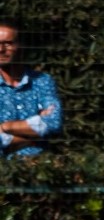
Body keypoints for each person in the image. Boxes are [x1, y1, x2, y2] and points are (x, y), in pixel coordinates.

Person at [0, 22, 62, 161]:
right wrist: (34, 133)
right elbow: (45, 127)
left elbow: (53, 123)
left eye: (8, 43)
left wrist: (5, 127)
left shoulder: (42, 81)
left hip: (40, 168)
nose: (1, 49)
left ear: (20, 45)